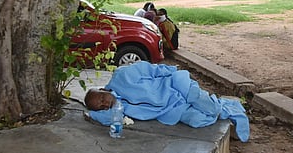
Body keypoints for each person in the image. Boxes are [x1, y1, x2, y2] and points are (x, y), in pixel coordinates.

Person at [84, 61, 250, 142]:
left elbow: (151, 69)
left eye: (101, 99)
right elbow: (109, 120)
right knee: (196, 120)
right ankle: (217, 106)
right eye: (101, 107)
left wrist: (172, 73)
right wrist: (90, 113)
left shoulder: (122, 76)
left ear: (103, 89)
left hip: (177, 86)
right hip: (172, 110)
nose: (105, 104)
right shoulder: (120, 109)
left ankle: (229, 107)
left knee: (213, 109)